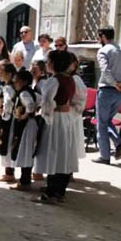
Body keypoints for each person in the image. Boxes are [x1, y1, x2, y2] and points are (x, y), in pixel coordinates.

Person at [34, 50, 79, 204]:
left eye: (48, 62)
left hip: (55, 119)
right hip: (66, 119)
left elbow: (47, 101)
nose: (46, 64)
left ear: (54, 63)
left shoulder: (54, 80)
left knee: (53, 152)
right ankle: (60, 190)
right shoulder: (70, 79)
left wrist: (45, 114)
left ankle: (51, 192)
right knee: (63, 153)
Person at [94, 26, 121, 164]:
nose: (98, 39)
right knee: (107, 120)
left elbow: (105, 71)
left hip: (106, 91)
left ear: (103, 36)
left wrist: (116, 84)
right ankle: (119, 145)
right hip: (120, 94)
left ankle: (105, 156)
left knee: (102, 124)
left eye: (99, 36)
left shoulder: (103, 50)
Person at [9, 69, 39, 191]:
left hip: (25, 126)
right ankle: (24, 179)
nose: (15, 83)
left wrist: (25, 115)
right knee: (26, 152)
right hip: (30, 124)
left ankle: (24, 181)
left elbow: (30, 105)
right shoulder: (30, 92)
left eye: (17, 81)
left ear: (24, 82)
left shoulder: (23, 93)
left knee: (25, 152)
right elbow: (39, 100)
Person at [0, 61, 17, 181]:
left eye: (1, 72)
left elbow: (8, 102)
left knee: (7, 142)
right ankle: (9, 171)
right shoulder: (10, 85)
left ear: (9, 74)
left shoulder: (9, 87)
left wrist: (4, 112)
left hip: (8, 119)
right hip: (9, 117)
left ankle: (9, 173)